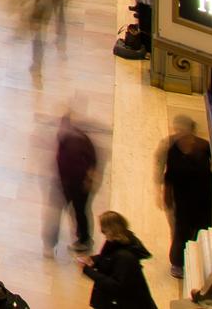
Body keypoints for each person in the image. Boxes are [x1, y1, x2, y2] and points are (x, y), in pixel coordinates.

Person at [160, 115, 212, 278]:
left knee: (201, 229)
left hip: (203, 198)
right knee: (181, 231)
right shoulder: (173, 150)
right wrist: (166, 196)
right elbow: (169, 175)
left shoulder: (204, 147)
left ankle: (199, 262)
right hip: (182, 200)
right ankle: (177, 262)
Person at [80, 211, 159, 308]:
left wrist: (88, 271)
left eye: (104, 230)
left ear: (111, 230)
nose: (102, 232)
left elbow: (116, 286)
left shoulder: (125, 257)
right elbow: (107, 258)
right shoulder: (116, 243)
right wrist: (93, 260)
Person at [51, 110, 101, 254]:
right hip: (69, 184)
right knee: (78, 211)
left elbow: (88, 162)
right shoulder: (69, 138)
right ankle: (79, 238)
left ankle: (84, 239)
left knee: (79, 212)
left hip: (77, 186)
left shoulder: (75, 142)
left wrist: (88, 179)